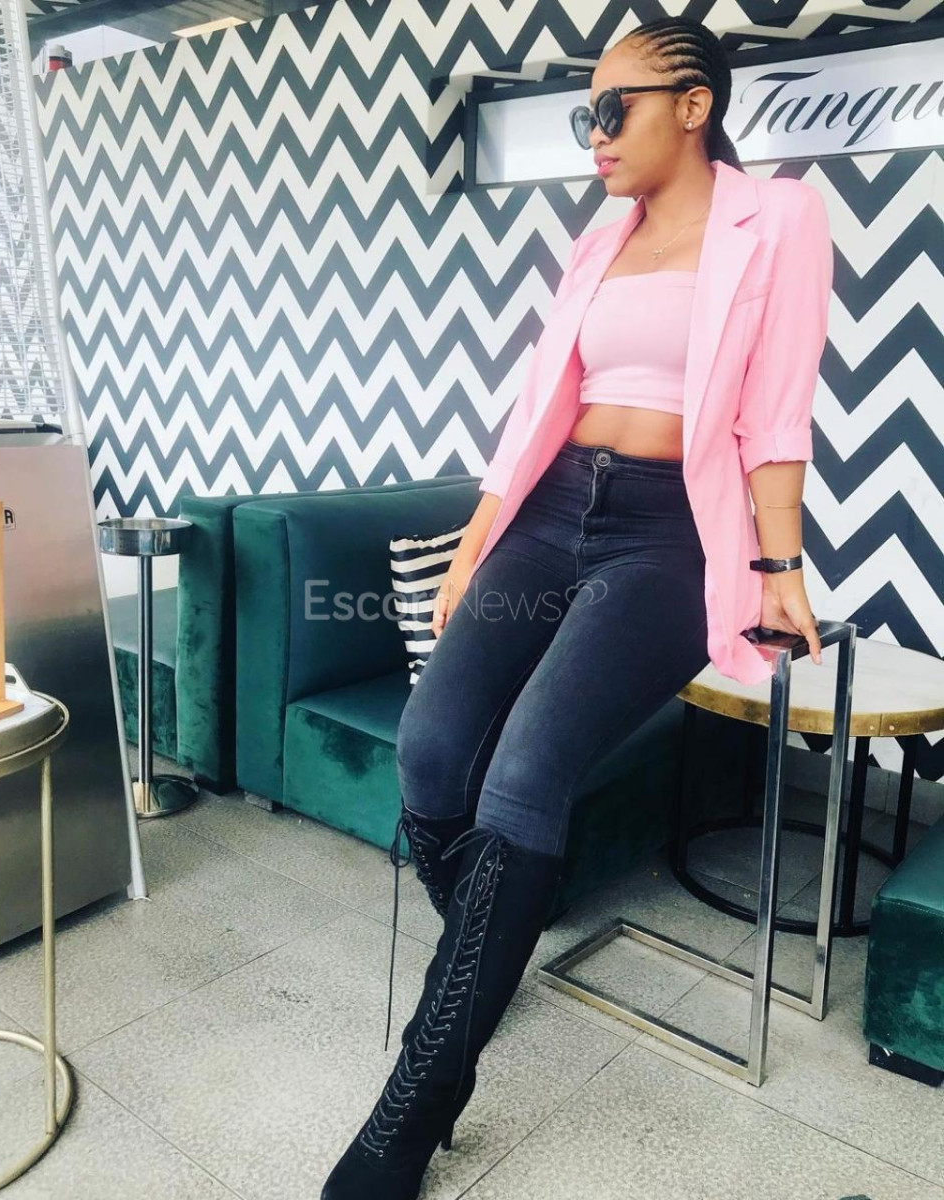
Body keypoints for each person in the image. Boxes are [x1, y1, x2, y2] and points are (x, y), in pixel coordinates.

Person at [320, 14, 832, 1199]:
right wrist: (475, 547)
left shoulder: (778, 218)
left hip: (667, 535)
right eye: (582, 114)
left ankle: (415, 1105)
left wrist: (779, 566)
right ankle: (491, 940)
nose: (593, 134)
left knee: (525, 772)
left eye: (613, 109)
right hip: (551, 511)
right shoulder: (600, 237)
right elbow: (536, 408)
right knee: (431, 748)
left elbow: (779, 409)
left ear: (694, 106)